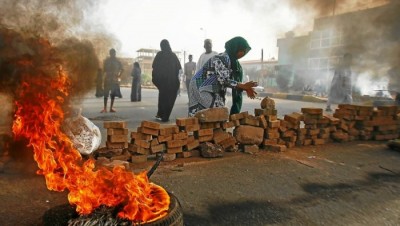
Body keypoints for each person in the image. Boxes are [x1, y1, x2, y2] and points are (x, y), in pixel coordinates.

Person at [188, 36, 257, 116]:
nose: (243, 53)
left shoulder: (234, 63)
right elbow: (224, 80)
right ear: (235, 48)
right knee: (206, 115)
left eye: (245, 51)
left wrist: (244, 87)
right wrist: (242, 86)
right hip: (199, 86)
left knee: (218, 112)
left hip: (213, 88)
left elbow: (230, 81)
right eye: (241, 50)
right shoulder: (222, 58)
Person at [152, 39, 182, 122]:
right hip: (172, 83)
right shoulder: (173, 56)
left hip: (163, 83)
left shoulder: (159, 55)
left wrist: (157, 79)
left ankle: (161, 114)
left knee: (162, 98)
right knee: (170, 99)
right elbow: (179, 69)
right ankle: (165, 116)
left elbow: (154, 68)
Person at [101, 48, 123, 113]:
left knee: (112, 94)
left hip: (114, 80)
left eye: (113, 53)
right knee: (106, 94)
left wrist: (118, 75)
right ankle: (105, 108)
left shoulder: (117, 61)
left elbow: (122, 69)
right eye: (112, 53)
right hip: (108, 79)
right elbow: (104, 70)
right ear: (110, 53)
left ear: (114, 53)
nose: (113, 54)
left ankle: (111, 108)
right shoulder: (107, 61)